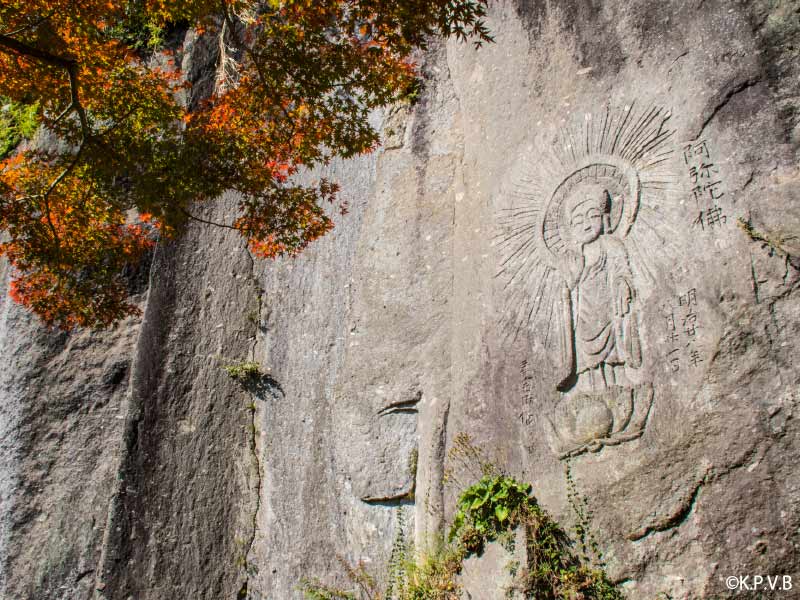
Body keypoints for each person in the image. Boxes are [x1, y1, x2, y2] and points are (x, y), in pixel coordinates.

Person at [555, 182, 642, 393]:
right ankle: (588, 388)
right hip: (583, 316)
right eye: (578, 221)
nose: (586, 225)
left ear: (604, 219)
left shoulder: (612, 245)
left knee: (613, 355)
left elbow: (623, 271)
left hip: (609, 312)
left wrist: (623, 285)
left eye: (592, 216)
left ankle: (619, 385)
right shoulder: (570, 257)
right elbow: (565, 287)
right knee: (587, 363)